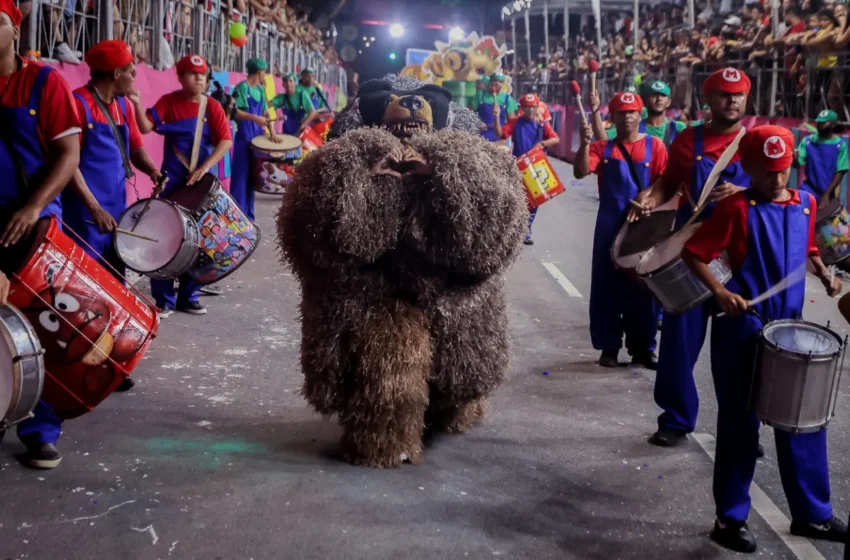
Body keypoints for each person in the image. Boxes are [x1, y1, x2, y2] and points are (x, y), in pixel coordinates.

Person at [681, 125, 846, 553]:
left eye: (783, 170)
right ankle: (729, 518)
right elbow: (695, 253)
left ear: (792, 164)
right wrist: (721, 292)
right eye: (767, 171)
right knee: (739, 424)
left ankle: (813, 514)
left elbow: (808, 248)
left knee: (803, 419)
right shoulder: (736, 208)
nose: (776, 180)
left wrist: (824, 273)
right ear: (749, 167)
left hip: (789, 327)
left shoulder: (807, 204)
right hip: (744, 327)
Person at [630, 67, 753, 447]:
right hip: (692, 253)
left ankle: (743, 425)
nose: (731, 101)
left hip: (740, 254)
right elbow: (669, 180)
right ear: (708, 99)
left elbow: (777, 188)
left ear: (747, 98)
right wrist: (650, 196)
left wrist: (743, 189)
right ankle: (676, 417)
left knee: (743, 349)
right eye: (722, 94)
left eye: (738, 95)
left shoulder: (757, 142)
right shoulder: (688, 139)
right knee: (679, 342)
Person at [0, 0, 81, 469]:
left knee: (38, 327)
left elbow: (67, 153)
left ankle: (39, 425)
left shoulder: (44, 81)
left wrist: (33, 208)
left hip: (34, 225)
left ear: (16, 29)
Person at [130, 54, 233, 317]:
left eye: (202, 74)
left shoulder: (212, 107)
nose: (199, 78)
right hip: (171, 179)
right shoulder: (168, 102)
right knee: (163, 235)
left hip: (200, 184)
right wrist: (138, 103)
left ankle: (189, 296)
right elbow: (145, 127)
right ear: (180, 76)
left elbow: (225, 141)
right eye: (192, 73)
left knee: (199, 238)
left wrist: (204, 167)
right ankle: (164, 299)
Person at [575, 91, 666, 369]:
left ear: (640, 116)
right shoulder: (602, 148)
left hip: (644, 227)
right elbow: (580, 172)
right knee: (606, 286)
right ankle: (609, 347)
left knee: (643, 287)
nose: (627, 117)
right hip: (609, 225)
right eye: (621, 113)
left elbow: (666, 181)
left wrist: (647, 197)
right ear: (611, 117)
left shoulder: (656, 146)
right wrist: (583, 143)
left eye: (632, 112)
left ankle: (643, 348)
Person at [64, 40, 162, 278]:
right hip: (84, 214)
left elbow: (135, 149)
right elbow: (68, 163)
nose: (134, 77)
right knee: (84, 283)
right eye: (130, 71)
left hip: (115, 210)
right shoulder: (78, 103)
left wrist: (153, 172)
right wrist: (94, 208)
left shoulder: (123, 105)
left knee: (115, 282)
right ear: (117, 73)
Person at [500, 93, 560, 245]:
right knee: (516, 198)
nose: (530, 110)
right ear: (522, 108)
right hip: (518, 165)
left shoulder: (542, 125)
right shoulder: (515, 122)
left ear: (537, 107)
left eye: (533, 107)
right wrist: (496, 117)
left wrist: (542, 144)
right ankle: (513, 230)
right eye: (527, 107)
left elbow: (555, 139)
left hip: (537, 166)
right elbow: (501, 134)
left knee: (534, 201)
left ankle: (526, 230)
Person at [230, 57, 276, 221]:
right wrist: (255, 118)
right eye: (264, 71)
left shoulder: (261, 91)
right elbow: (233, 111)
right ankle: (236, 217)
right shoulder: (242, 88)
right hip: (244, 140)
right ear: (259, 72)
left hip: (257, 142)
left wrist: (273, 133)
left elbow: (266, 113)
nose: (265, 75)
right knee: (240, 179)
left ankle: (248, 217)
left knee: (252, 179)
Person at [590, 80, 686, 146]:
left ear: (669, 102)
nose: (659, 99)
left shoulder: (678, 128)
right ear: (644, 100)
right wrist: (596, 110)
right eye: (653, 95)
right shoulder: (634, 127)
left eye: (663, 95)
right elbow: (604, 141)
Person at [796, 109, 847, 208]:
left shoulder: (840, 145)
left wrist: (827, 194)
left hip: (827, 193)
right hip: (807, 190)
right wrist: (794, 159)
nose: (819, 125)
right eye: (819, 122)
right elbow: (796, 164)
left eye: (823, 123)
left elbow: (840, 171)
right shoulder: (807, 141)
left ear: (833, 124)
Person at [477, 73, 517, 142]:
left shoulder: (507, 98)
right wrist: (476, 125)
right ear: (490, 82)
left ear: (503, 84)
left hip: (500, 138)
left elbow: (512, 122)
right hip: (480, 136)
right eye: (495, 80)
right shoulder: (480, 95)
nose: (497, 84)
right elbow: (470, 113)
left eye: (500, 82)